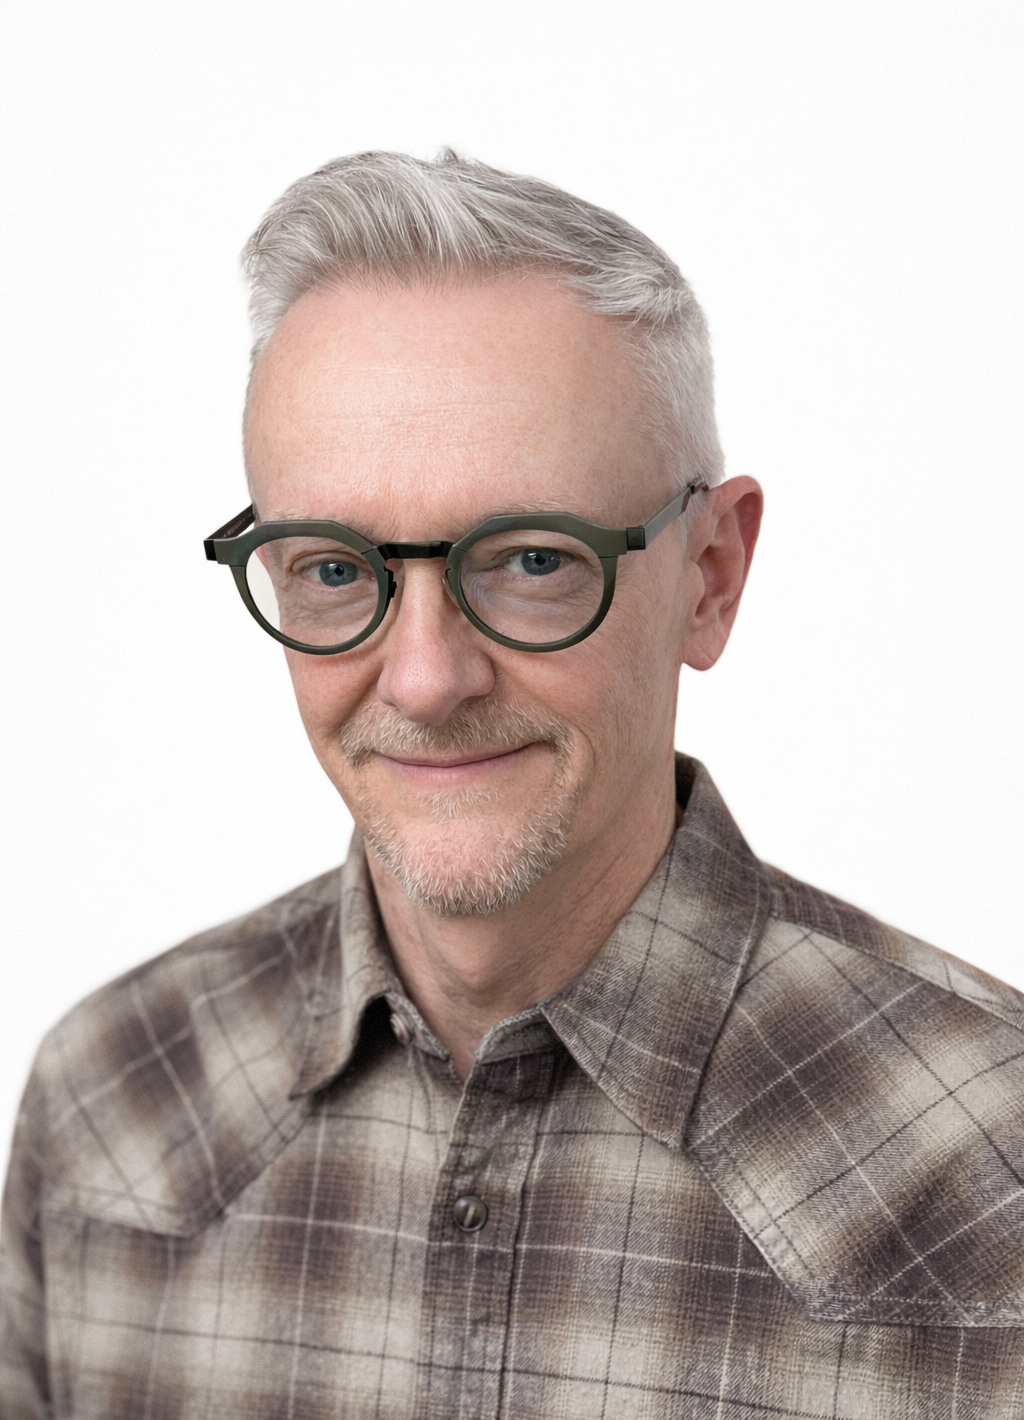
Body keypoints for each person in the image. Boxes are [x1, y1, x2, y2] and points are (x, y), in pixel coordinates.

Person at [3, 152, 1023, 1420]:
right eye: (330, 570)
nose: (424, 678)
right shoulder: (110, 1105)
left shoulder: (997, 1167)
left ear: (709, 572)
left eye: (531, 558)